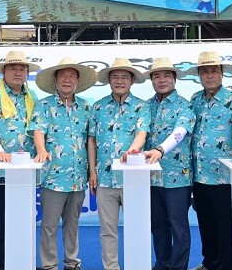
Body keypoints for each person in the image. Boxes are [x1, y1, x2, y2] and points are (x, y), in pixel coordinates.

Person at [0, 50, 40, 270]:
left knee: (23, 221)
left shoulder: (31, 95)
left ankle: (22, 263)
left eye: (22, 69)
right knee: (0, 223)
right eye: (13, 68)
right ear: (3, 71)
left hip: (26, 170)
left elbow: (38, 127)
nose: (17, 72)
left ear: (27, 72)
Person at [32, 57, 97, 270]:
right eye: (63, 76)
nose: (67, 80)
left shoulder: (86, 107)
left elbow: (90, 140)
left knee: (73, 225)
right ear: (55, 80)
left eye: (71, 76)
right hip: (53, 176)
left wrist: (92, 171)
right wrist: (41, 150)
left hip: (78, 177)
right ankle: (49, 265)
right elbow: (38, 130)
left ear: (77, 81)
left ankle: (72, 263)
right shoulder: (44, 105)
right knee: (49, 225)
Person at [187, 51, 232, 270]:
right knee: (205, 223)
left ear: (222, 73)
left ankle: (227, 265)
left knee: (225, 226)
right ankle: (209, 263)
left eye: (214, 71)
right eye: (205, 71)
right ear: (199, 75)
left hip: (223, 176)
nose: (210, 75)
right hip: (199, 174)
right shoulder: (195, 99)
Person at [88, 58, 151, 270]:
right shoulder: (98, 107)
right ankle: (111, 267)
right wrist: (92, 171)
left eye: (124, 77)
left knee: (137, 228)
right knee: (108, 230)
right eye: (115, 77)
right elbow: (91, 140)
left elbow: (142, 133)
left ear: (132, 80)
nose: (119, 81)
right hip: (105, 179)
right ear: (109, 80)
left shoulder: (142, 106)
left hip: (133, 179)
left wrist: (131, 152)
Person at [141, 57, 195, 270]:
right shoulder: (146, 106)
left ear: (174, 79)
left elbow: (180, 132)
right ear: (152, 80)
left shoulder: (184, 105)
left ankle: (178, 267)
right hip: (151, 176)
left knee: (178, 226)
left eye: (166, 76)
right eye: (157, 76)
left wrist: (161, 150)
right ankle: (162, 263)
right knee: (158, 225)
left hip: (177, 176)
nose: (161, 80)